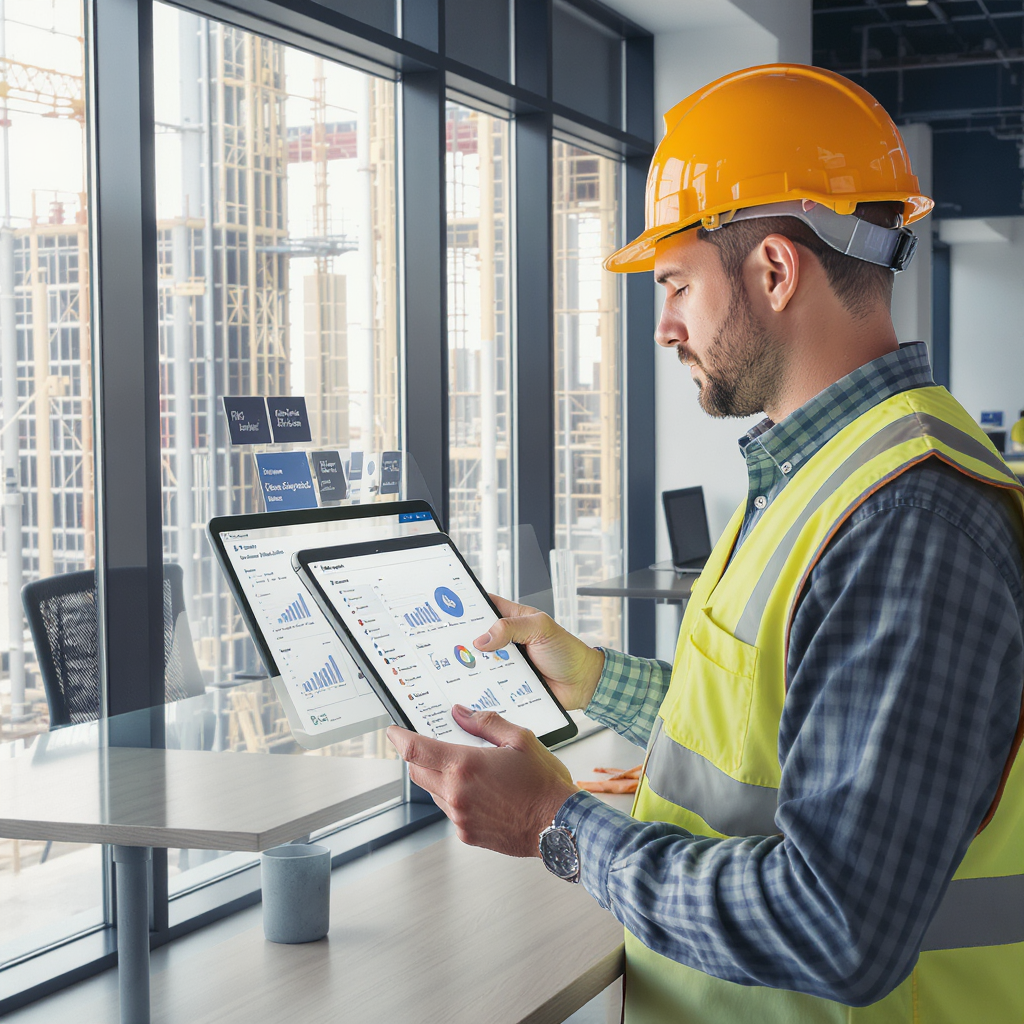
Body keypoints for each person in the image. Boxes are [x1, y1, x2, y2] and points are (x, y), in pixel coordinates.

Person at [388, 64, 1024, 1022]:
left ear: (775, 270)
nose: (665, 326)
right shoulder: (817, 475)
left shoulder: (906, 519)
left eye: (677, 283)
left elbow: (837, 925)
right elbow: (765, 737)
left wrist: (555, 824)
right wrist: (593, 678)